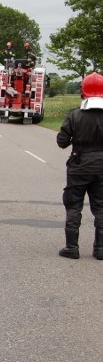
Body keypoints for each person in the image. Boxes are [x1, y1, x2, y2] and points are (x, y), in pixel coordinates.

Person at [56, 72, 103, 260]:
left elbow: (61, 141)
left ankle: (72, 247)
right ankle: (100, 249)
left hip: (79, 165)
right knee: (101, 206)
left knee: (74, 205)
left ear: (83, 92)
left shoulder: (75, 115)